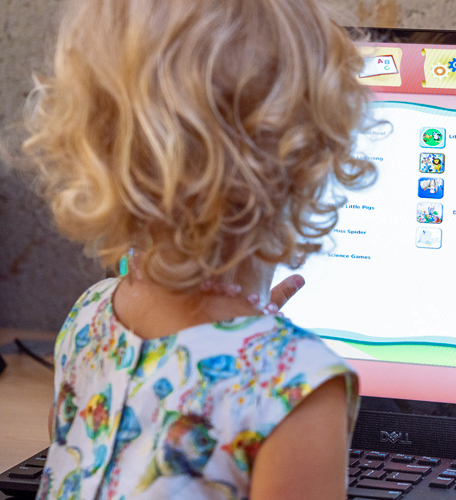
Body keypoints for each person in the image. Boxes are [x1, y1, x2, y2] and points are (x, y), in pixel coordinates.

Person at [18, 0, 375, 498]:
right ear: (311, 147)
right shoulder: (295, 388)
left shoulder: (89, 320)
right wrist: (261, 359)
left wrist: (245, 345)